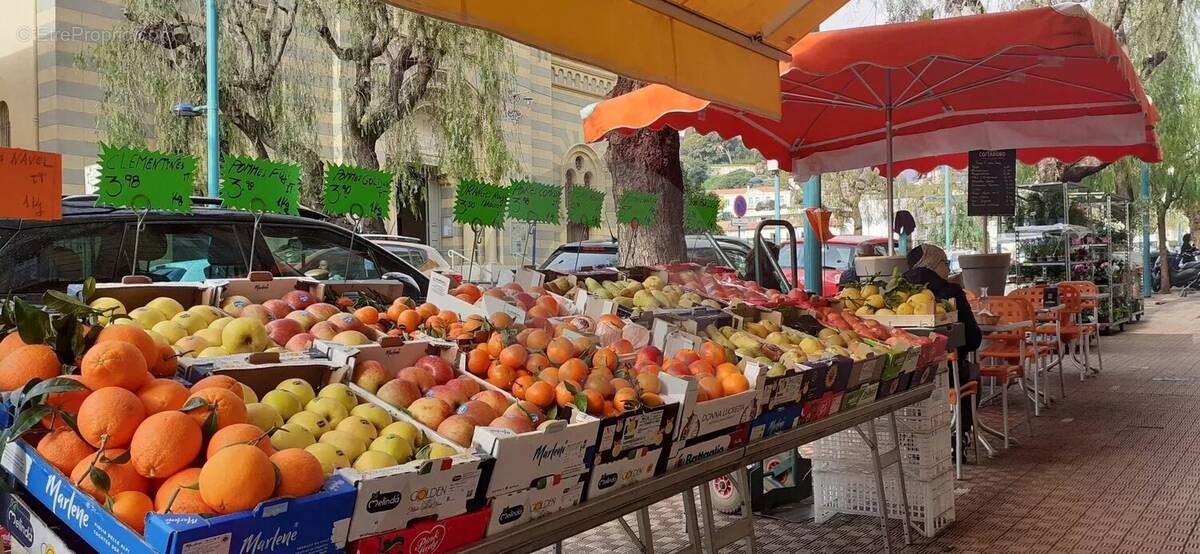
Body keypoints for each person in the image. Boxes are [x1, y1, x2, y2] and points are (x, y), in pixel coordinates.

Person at [903, 244, 982, 441]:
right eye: (945, 263)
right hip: (946, 376)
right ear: (934, 264)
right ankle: (960, 435)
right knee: (972, 372)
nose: (947, 268)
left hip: (907, 378)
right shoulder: (951, 292)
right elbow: (972, 339)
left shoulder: (896, 291)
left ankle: (914, 439)